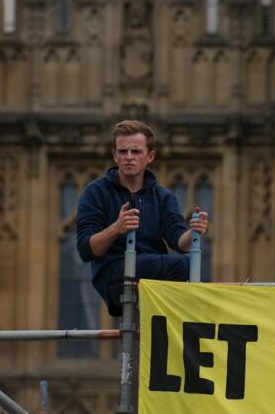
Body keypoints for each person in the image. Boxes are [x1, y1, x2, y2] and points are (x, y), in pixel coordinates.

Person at [76, 120, 209, 316]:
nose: (128, 157)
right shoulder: (95, 192)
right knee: (184, 267)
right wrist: (117, 228)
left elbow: (178, 239)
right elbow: (86, 250)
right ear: (114, 155)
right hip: (116, 274)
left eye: (136, 152)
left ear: (150, 156)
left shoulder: (163, 196)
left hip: (153, 273)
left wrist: (194, 231)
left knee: (190, 265)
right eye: (122, 152)